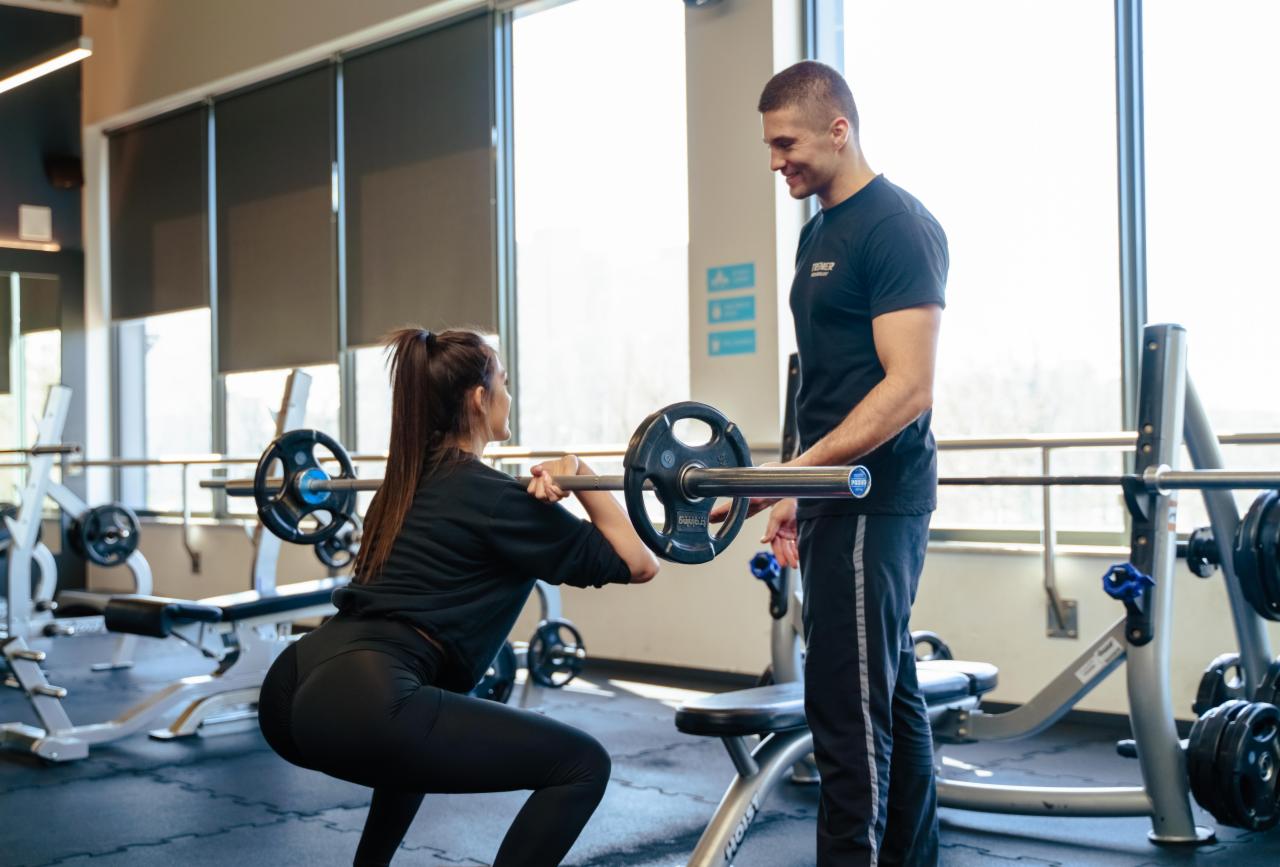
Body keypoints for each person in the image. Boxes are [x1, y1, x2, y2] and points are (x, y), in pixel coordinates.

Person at [257, 327, 660, 867]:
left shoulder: (401, 485)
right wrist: (581, 473)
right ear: (479, 397)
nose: (510, 396)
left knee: (420, 730)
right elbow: (640, 563)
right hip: (367, 698)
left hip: (296, 684)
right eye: (505, 383)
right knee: (583, 765)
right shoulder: (496, 498)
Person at [736, 60, 949, 866]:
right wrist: (794, 488)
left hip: (874, 493)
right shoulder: (817, 230)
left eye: (785, 141)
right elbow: (821, 381)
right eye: (768, 144)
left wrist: (793, 480)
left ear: (838, 128)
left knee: (845, 710)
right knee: (885, 697)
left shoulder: (896, 225)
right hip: (830, 490)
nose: (774, 160)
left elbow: (909, 388)